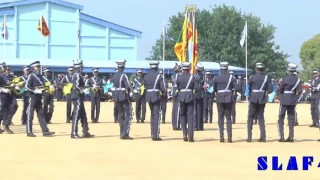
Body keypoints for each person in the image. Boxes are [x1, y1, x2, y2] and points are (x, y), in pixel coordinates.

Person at [25, 61, 55, 137]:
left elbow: (43, 85)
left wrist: (48, 87)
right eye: (37, 67)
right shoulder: (31, 75)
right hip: (32, 97)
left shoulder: (40, 76)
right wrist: (35, 90)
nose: (38, 68)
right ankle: (29, 131)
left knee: (41, 114)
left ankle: (45, 131)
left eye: (38, 66)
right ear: (33, 67)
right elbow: (27, 86)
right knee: (30, 114)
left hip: (39, 97)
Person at [246, 63, 272, 142]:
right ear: (263, 69)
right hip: (262, 98)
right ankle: (263, 137)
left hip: (253, 97)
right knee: (261, 117)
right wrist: (264, 93)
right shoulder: (267, 77)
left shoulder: (252, 77)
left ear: (256, 69)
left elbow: (249, 87)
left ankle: (249, 137)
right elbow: (270, 89)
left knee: (250, 117)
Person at [277, 63, 302, 142]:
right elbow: (300, 91)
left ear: (288, 70)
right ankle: (291, 136)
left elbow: (281, 89)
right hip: (292, 100)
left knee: (281, 117)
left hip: (284, 99)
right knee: (291, 118)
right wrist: (295, 97)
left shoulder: (284, 79)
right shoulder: (298, 80)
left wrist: (281, 96)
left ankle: (281, 136)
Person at [213, 62, 237, 143]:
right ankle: (230, 137)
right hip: (228, 98)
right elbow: (235, 88)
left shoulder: (216, 78)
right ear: (227, 68)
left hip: (219, 97)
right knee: (228, 118)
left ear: (220, 68)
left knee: (220, 117)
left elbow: (214, 89)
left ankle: (221, 136)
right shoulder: (232, 78)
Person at [70, 59, 94, 139]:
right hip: (77, 96)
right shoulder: (77, 75)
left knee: (83, 115)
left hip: (79, 96)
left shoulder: (77, 74)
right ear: (79, 67)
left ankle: (85, 131)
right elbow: (76, 86)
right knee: (76, 115)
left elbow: (80, 86)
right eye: (81, 66)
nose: (82, 68)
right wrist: (83, 90)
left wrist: (89, 87)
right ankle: (74, 133)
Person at [143, 61, 165, 141]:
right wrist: (162, 93)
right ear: (157, 67)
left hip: (148, 96)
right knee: (156, 115)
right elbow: (163, 88)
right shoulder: (159, 76)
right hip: (156, 96)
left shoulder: (146, 76)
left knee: (152, 115)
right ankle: (155, 135)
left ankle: (152, 133)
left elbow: (144, 87)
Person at [111, 60, 133, 140]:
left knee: (121, 114)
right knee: (128, 114)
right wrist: (130, 93)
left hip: (116, 96)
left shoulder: (114, 75)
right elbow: (127, 86)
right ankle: (125, 132)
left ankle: (121, 133)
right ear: (123, 67)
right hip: (124, 95)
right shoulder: (124, 75)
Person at [176, 62, 198, 142]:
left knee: (182, 115)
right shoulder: (193, 77)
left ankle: (184, 134)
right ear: (189, 68)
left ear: (182, 68)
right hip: (190, 96)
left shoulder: (179, 77)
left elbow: (177, 87)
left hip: (181, 97)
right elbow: (197, 87)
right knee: (190, 116)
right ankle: (191, 137)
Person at [0, 62, 13, 134]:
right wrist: (2, 89)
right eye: (3, 67)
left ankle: (6, 126)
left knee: (8, 111)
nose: (4, 69)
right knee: (2, 111)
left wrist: (13, 85)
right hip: (1, 95)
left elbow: (7, 83)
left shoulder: (3, 75)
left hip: (7, 95)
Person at [194, 63, 205, 131]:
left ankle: (196, 126)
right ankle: (200, 126)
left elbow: (195, 86)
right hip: (202, 94)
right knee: (200, 110)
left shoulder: (194, 76)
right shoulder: (203, 76)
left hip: (196, 93)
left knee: (195, 110)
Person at [171, 63, 181, 130]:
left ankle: (174, 124)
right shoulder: (178, 75)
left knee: (174, 109)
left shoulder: (172, 76)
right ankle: (177, 125)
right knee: (177, 109)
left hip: (174, 92)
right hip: (177, 92)